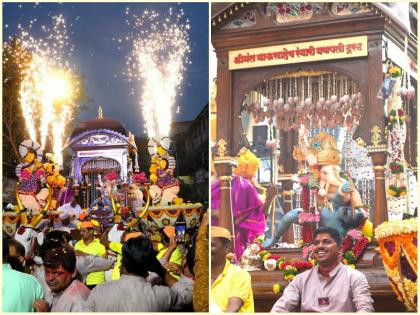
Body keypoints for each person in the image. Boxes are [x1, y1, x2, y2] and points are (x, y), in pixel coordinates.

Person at [271, 227, 374, 312]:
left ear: (340, 248)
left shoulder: (354, 278)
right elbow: (280, 308)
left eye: (326, 242)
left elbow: (365, 309)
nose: (320, 246)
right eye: (316, 243)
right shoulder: (301, 280)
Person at [85, 236, 193, 311]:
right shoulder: (162, 295)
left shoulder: (99, 291)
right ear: (150, 265)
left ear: (122, 263)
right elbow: (188, 297)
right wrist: (161, 271)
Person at [212, 148, 277, 260]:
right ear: (214, 161)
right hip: (212, 239)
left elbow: (260, 214)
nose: (222, 165)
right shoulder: (209, 184)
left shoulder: (244, 185)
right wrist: (214, 213)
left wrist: (269, 199)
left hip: (238, 242)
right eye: (218, 160)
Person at [32, 247, 91, 312]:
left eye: (57, 273)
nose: (50, 278)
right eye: (47, 272)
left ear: (73, 272)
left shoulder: (77, 301)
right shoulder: (61, 290)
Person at [211, 226, 254, 313]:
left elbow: (232, 309)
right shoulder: (201, 276)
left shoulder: (240, 275)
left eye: (211, 245)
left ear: (227, 248)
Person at [2, 236, 45, 312]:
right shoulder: (32, 281)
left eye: (20, 257)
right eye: (14, 258)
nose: (21, 260)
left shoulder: (33, 281)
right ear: (6, 257)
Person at [74, 221, 107, 289]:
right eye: (80, 231)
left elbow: (104, 262)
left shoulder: (100, 244)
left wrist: (84, 254)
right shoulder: (78, 244)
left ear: (91, 231)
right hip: (80, 281)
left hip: (96, 281)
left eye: (83, 231)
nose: (81, 233)